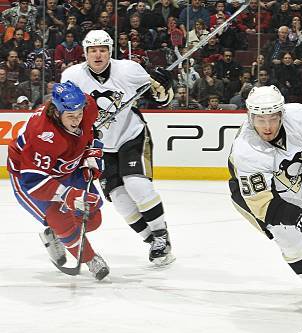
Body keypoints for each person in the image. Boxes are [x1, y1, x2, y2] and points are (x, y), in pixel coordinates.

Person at [61, 30, 176, 266]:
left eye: (103, 49)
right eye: (93, 50)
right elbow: (64, 113)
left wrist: (165, 87)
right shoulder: (72, 76)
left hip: (131, 135)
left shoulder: (129, 70)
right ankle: (152, 240)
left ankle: (162, 236)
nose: (98, 54)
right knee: (120, 200)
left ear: (110, 51)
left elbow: (161, 99)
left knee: (136, 184)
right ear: (85, 53)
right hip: (99, 146)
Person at [228, 85, 302, 305]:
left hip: (294, 180)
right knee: (290, 239)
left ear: (282, 113)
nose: (267, 126)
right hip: (257, 197)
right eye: (260, 119)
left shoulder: (300, 115)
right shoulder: (246, 149)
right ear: (249, 116)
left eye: (273, 118)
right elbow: (265, 206)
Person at [7, 81, 109, 280]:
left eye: (79, 114)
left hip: (64, 167)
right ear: (56, 111)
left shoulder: (84, 106)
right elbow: (35, 182)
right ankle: (90, 259)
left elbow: (89, 132)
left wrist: (92, 156)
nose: (76, 120)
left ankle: (56, 233)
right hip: (29, 176)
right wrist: (68, 195)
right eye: (70, 116)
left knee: (93, 218)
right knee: (60, 219)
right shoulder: (44, 135)